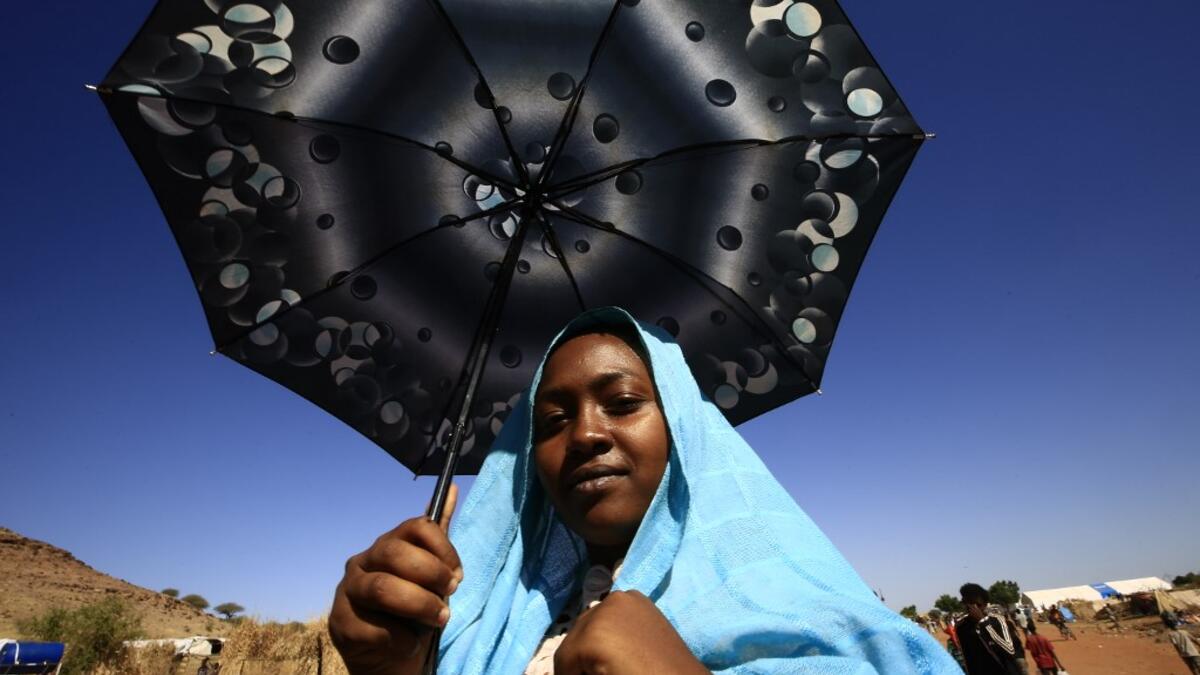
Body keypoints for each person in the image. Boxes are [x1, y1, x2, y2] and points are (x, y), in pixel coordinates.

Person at [328, 308, 961, 674]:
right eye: (551, 422)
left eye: (623, 403)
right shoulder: (474, 624)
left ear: (684, 430)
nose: (584, 435)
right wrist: (395, 671)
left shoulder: (799, 615)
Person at [955, 583, 1023, 675]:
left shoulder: (997, 620)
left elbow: (1009, 650)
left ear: (985, 605)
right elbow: (967, 657)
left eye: (979, 605)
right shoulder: (961, 627)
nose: (975, 609)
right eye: (969, 604)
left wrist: (983, 622)